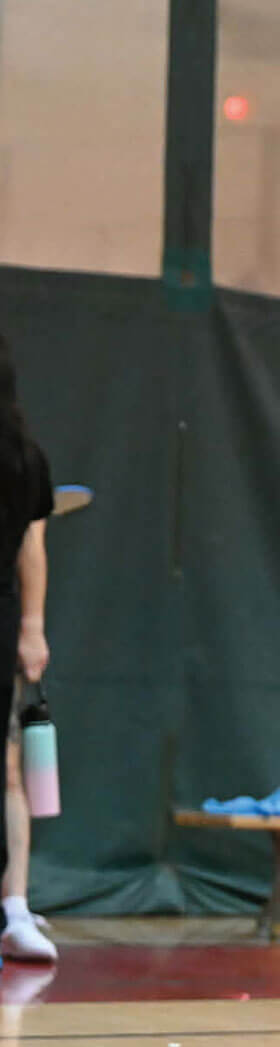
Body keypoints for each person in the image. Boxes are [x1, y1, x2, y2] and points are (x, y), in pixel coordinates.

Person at [0, 333, 55, 962]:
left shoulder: (23, 457)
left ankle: (14, 906)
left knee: (9, 765)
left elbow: (31, 546)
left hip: (3, 619)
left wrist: (33, 626)